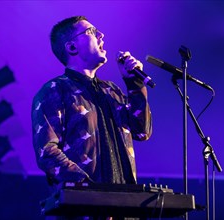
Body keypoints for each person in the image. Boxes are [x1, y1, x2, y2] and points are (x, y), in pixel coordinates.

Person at [31, 15, 152, 217]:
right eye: (91, 31)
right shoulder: (55, 90)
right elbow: (47, 152)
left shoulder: (111, 91)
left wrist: (135, 85)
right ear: (71, 47)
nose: (101, 35)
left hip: (125, 208)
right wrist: (89, 189)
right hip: (84, 210)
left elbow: (142, 132)